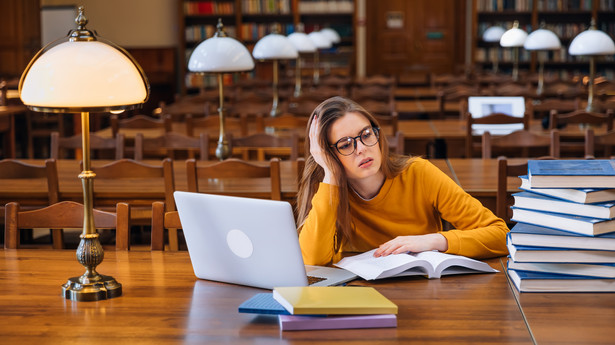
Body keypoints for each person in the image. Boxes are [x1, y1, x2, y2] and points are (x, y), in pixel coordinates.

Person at [296, 96, 509, 266]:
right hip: (361, 295)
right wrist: (331, 176)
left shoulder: (418, 173)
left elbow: (501, 235)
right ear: (327, 155)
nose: (361, 148)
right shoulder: (326, 189)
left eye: (366, 134)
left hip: (426, 292)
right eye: (345, 145)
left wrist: (435, 240)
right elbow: (311, 261)